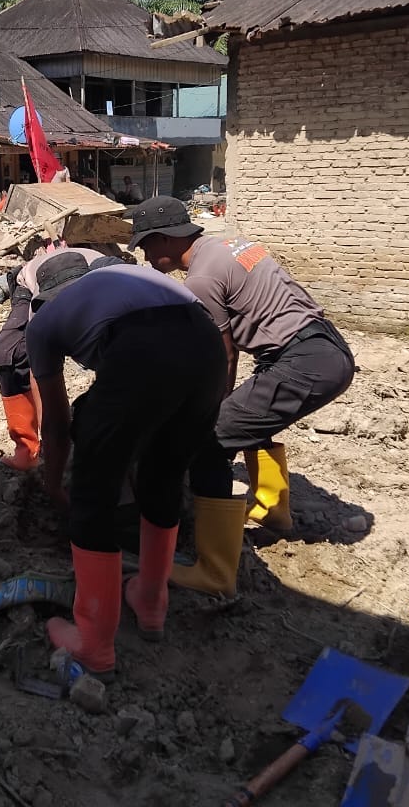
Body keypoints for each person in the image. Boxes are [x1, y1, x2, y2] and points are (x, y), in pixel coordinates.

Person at [127, 196, 356, 595]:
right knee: (248, 418)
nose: (146, 257)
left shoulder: (200, 278)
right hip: (322, 346)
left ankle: (214, 572)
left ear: (166, 239)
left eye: (147, 245)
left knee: (210, 441)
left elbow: (224, 355)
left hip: (304, 361)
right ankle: (273, 510)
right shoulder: (230, 243)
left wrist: (206, 410)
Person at [26, 252, 225, 678]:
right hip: (208, 348)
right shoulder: (119, 281)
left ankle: (94, 643)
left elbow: (57, 424)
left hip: (144, 350)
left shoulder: (42, 323)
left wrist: (56, 480)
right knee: (163, 476)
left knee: (93, 494)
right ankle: (151, 603)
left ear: (42, 299)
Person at [0, 244, 104, 471]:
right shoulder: (45, 308)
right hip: (35, 281)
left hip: (82, 274)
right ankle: (27, 451)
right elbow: (39, 373)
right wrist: (53, 438)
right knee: (7, 352)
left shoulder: (107, 289)